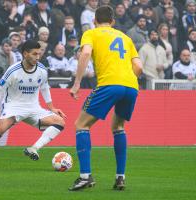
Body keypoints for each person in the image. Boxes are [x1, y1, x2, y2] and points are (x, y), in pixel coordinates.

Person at [68, 6, 143, 191]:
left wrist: (77, 83)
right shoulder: (126, 38)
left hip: (109, 83)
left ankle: (85, 176)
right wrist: (126, 80)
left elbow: (85, 53)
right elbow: (139, 67)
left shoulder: (91, 33)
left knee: (81, 125)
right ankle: (120, 178)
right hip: (131, 86)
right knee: (118, 127)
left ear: (94, 20)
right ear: (113, 22)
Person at [0, 40, 66, 170]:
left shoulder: (42, 70)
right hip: (13, 107)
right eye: (34, 54)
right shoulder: (13, 71)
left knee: (60, 122)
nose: (37, 57)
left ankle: (34, 148)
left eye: (39, 54)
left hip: (33, 108)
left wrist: (52, 108)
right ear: (25, 54)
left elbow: (44, 87)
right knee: (0, 128)